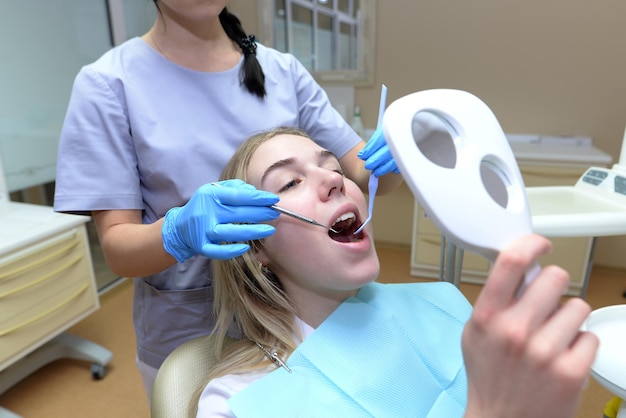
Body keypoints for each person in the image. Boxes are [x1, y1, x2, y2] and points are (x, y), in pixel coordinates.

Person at [52, 1, 402, 401]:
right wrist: (176, 233)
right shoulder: (108, 84)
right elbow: (117, 249)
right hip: (191, 332)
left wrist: (393, 159)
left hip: (302, 319)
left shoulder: (282, 71)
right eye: (288, 183)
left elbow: (361, 174)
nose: (328, 182)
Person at [196, 127, 599, 418]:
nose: (334, 180)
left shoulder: (443, 300)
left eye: (333, 166)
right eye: (290, 182)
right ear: (257, 247)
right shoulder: (237, 402)